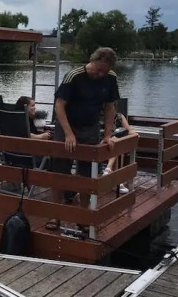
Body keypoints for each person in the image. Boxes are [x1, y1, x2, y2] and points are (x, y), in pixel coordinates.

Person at [46, 47, 119, 232]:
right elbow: (59, 106)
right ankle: (55, 214)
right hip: (67, 127)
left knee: (87, 173)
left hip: (90, 128)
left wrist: (108, 135)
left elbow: (110, 107)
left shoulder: (111, 78)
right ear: (91, 61)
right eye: (98, 70)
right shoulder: (74, 76)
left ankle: (83, 216)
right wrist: (69, 134)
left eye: (104, 71)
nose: (100, 74)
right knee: (60, 171)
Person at [103, 112, 137, 194]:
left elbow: (129, 130)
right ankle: (109, 171)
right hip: (101, 141)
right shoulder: (97, 114)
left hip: (114, 142)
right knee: (115, 144)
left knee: (116, 142)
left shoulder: (119, 116)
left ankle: (109, 170)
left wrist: (133, 133)